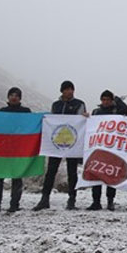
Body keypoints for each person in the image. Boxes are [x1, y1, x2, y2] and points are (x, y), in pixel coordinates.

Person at [34, 81, 87, 211]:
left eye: (71, 89)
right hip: (56, 143)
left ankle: (72, 199)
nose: (70, 92)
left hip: (73, 143)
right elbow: (52, 119)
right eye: (67, 89)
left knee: (72, 172)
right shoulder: (56, 105)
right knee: (51, 171)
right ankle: (44, 199)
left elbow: (81, 120)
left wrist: (85, 117)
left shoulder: (79, 104)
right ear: (62, 91)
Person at [87, 90, 127, 211]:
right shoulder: (96, 112)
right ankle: (96, 201)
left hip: (112, 149)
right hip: (98, 148)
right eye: (103, 100)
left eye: (108, 99)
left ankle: (110, 201)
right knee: (96, 174)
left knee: (111, 175)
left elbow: (126, 110)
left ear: (112, 100)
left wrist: (116, 99)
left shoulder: (116, 111)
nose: (105, 102)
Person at [0, 87, 31, 214]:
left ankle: (14, 205)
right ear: (8, 97)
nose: (14, 97)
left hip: (18, 150)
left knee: (17, 177)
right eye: (11, 95)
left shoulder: (26, 112)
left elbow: (31, 126)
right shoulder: (2, 111)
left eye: (16, 95)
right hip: (3, 149)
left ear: (20, 98)